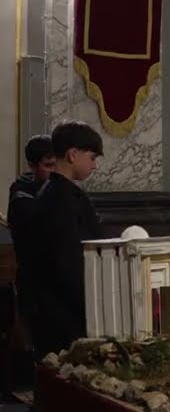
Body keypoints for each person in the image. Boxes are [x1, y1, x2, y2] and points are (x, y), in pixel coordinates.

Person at [29, 122, 105, 357]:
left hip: (56, 305)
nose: (94, 165)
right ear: (73, 154)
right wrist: (94, 302)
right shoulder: (61, 199)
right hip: (64, 310)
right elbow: (68, 259)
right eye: (92, 157)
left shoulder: (57, 192)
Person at [10, 135, 56, 362]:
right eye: (48, 166)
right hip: (33, 277)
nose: (53, 172)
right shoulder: (21, 193)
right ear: (32, 165)